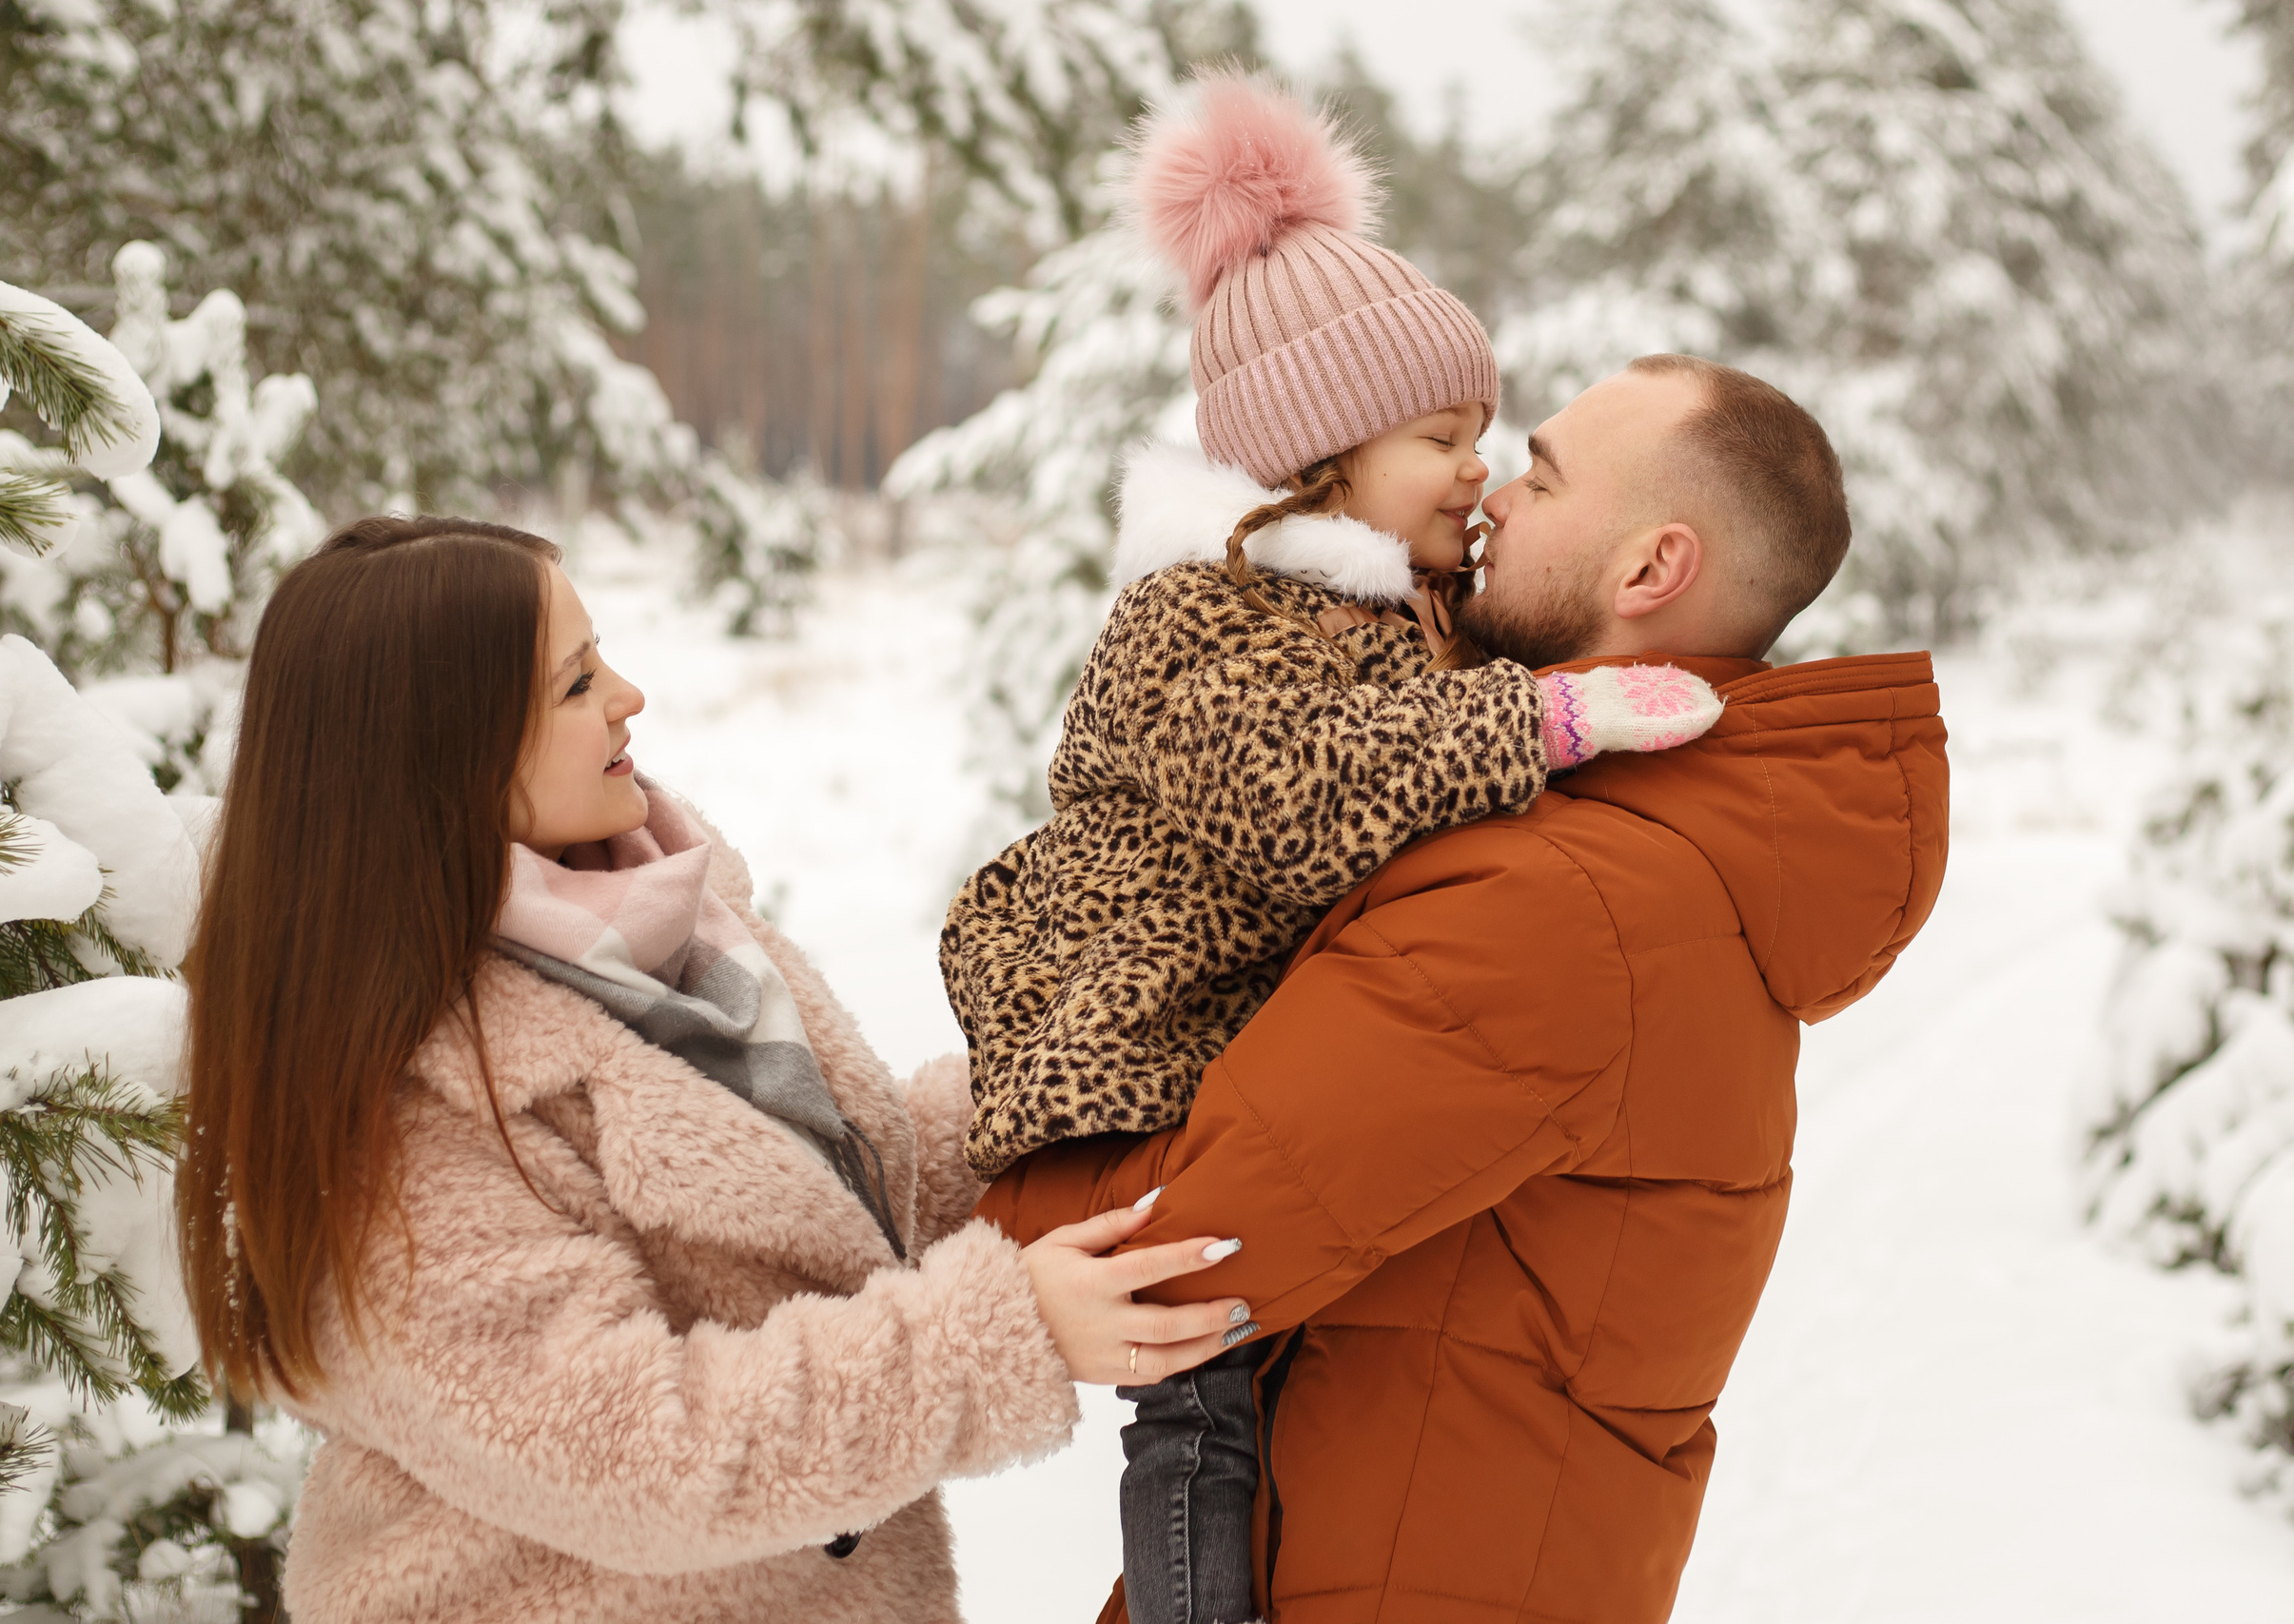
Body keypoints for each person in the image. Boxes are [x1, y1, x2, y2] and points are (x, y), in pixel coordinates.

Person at [976, 353, 1953, 1623]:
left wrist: (970, 1152)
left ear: (1650, 570)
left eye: (1541, 473)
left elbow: (1172, 1250)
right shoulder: (1631, 852)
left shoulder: (1566, 901)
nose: (1491, 494)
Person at [940, 75, 1723, 1624]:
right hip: (1140, 1061)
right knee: (1201, 1395)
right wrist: (1546, 727)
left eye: (1484, 436)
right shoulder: (1200, 618)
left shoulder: (1359, 609)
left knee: (1265, 1370)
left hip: (1232, 1056)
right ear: (1323, 451)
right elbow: (1304, 804)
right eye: (1444, 436)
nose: (1475, 471)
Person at [173, 516, 1254, 1624]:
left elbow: (838, 1208)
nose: (628, 695)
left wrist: (1071, 1080)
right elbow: (643, 1452)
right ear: (441, 753)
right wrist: (1000, 1336)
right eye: (575, 682)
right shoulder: (391, 1116)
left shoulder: (662, 929)